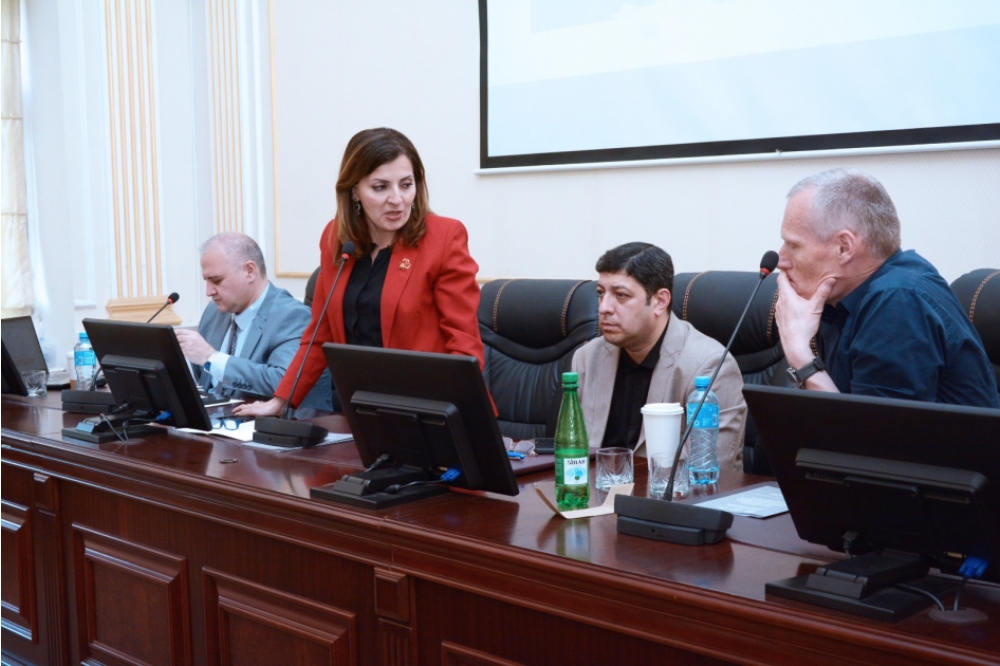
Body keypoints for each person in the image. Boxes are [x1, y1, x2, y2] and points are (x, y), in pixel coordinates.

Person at [234, 128, 485, 417]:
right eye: (380, 187)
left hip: (433, 409)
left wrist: (446, 413)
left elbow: (465, 346)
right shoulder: (337, 239)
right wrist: (280, 401)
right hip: (365, 410)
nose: (397, 199)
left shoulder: (443, 237)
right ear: (354, 190)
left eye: (406, 185)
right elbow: (319, 334)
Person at [775, 168, 999, 407]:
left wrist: (801, 356)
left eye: (794, 246)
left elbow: (872, 430)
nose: (781, 260)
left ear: (844, 248)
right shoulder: (841, 300)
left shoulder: (898, 301)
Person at [572, 243, 747, 471]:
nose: (604, 307)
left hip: (669, 493)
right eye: (600, 294)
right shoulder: (587, 358)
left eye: (621, 295)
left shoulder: (710, 365)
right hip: (594, 489)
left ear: (660, 301)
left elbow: (711, 471)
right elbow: (569, 452)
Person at [176, 232, 332, 409]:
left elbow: (283, 382)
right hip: (214, 419)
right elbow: (202, 377)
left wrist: (211, 357)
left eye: (216, 281)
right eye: (206, 281)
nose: (209, 291)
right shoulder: (215, 312)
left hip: (275, 423)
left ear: (249, 272)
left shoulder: (292, 316)